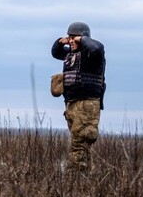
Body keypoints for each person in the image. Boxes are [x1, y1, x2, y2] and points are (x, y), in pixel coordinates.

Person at [51, 21, 106, 173]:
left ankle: (74, 177)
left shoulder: (93, 56)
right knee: (78, 143)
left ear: (84, 38)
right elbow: (55, 52)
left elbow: (97, 47)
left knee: (79, 143)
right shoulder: (71, 55)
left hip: (87, 104)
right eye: (69, 37)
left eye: (74, 38)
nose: (71, 41)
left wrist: (81, 39)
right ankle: (85, 177)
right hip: (72, 104)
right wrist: (60, 41)